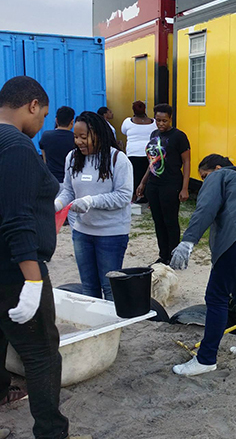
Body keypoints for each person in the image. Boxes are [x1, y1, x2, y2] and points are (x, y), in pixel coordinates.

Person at [0, 76, 91, 439]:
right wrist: (33, 279)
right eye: (45, 114)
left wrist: (46, 207)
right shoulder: (17, 146)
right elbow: (16, 219)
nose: (43, 124)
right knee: (40, 353)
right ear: (33, 105)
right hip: (14, 269)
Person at [169, 154, 236, 376]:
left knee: (216, 297)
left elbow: (206, 207)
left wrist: (188, 241)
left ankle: (206, 359)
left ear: (216, 168)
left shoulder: (220, 175)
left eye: (204, 176)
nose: (205, 181)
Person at [55, 111, 133, 301]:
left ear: (99, 134)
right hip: (82, 232)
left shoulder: (118, 160)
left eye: (84, 137)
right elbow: (68, 191)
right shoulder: (72, 158)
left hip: (111, 234)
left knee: (110, 287)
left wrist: (91, 201)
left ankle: (112, 326)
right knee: (88, 287)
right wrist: (58, 203)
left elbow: (123, 196)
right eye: (75, 137)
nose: (79, 142)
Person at [136, 104, 190, 265]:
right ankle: (163, 255)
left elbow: (186, 161)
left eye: (164, 120)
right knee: (158, 221)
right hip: (154, 184)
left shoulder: (179, 136)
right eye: (158, 120)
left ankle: (174, 257)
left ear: (171, 119)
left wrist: (185, 187)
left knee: (170, 221)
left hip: (171, 184)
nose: (161, 124)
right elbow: (152, 161)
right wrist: (143, 182)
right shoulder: (154, 134)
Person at [121, 100, 155, 202]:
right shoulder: (153, 122)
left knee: (134, 176)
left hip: (133, 153)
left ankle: (134, 196)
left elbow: (123, 131)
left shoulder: (128, 121)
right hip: (149, 153)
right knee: (148, 176)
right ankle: (147, 197)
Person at [38, 106, 75, 183]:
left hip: (52, 181)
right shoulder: (75, 138)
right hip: (70, 181)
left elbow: (45, 161)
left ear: (56, 120)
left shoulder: (46, 136)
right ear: (72, 122)